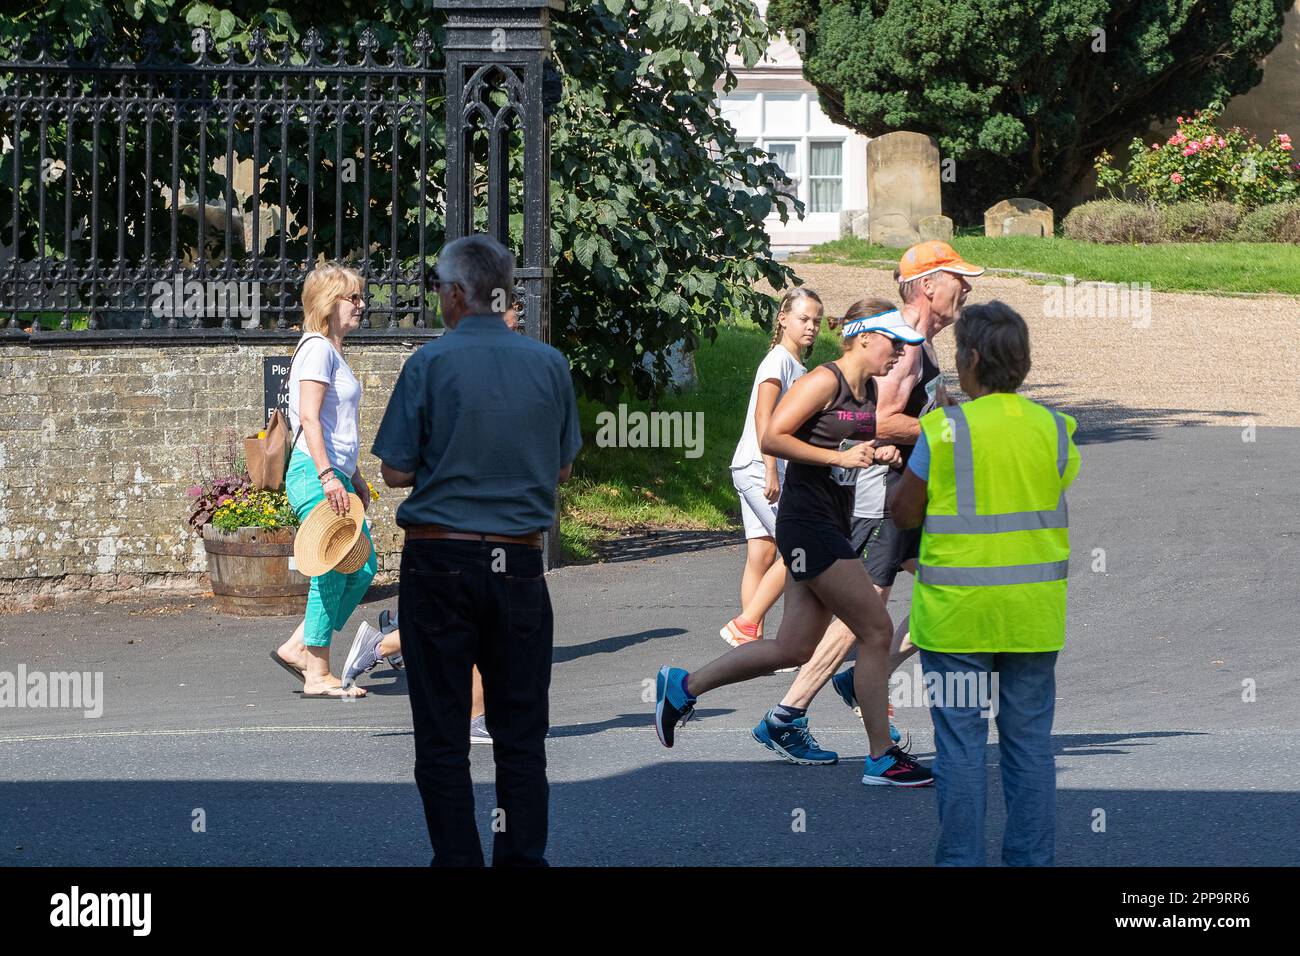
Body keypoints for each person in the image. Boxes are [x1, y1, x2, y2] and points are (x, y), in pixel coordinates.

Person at [654, 299, 934, 787]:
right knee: (875, 630)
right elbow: (772, 436)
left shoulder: (866, 388)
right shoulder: (823, 380)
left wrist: (874, 453)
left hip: (829, 521)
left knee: (794, 647)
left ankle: (683, 686)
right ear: (864, 337)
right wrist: (837, 461)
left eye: (907, 344)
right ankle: (881, 756)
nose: (901, 354)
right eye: (895, 343)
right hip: (809, 526)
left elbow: (839, 439)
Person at [372, 234, 581, 866]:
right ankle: (521, 858)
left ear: (458, 292)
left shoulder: (428, 365)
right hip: (518, 562)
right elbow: (563, 468)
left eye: (438, 285)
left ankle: (456, 860)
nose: (437, 296)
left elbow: (395, 471)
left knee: (442, 734)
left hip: (440, 560)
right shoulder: (549, 365)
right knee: (521, 734)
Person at [890, 301, 1080, 865]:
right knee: (1028, 748)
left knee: (962, 750)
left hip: (957, 618)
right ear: (1020, 362)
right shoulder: (1055, 428)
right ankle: (1030, 860)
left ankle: (961, 861)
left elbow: (904, 512)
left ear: (971, 359)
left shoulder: (944, 429)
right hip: (1032, 615)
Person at [270, 262, 378, 700]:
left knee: (362, 565)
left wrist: (355, 478)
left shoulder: (332, 350)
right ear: (328, 302)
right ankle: (317, 671)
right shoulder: (316, 348)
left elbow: (337, 428)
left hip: (334, 474)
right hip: (315, 474)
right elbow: (310, 419)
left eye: (360, 297)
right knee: (332, 565)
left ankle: (299, 645)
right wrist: (330, 475)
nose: (361, 304)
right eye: (353, 297)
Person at [720, 288, 823, 648]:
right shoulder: (778, 360)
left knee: (762, 554)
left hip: (753, 466)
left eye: (816, 321)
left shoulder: (796, 365)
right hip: (757, 467)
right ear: (783, 320)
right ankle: (747, 625)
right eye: (804, 319)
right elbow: (763, 415)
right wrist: (771, 470)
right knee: (799, 545)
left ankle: (751, 644)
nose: (811, 327)